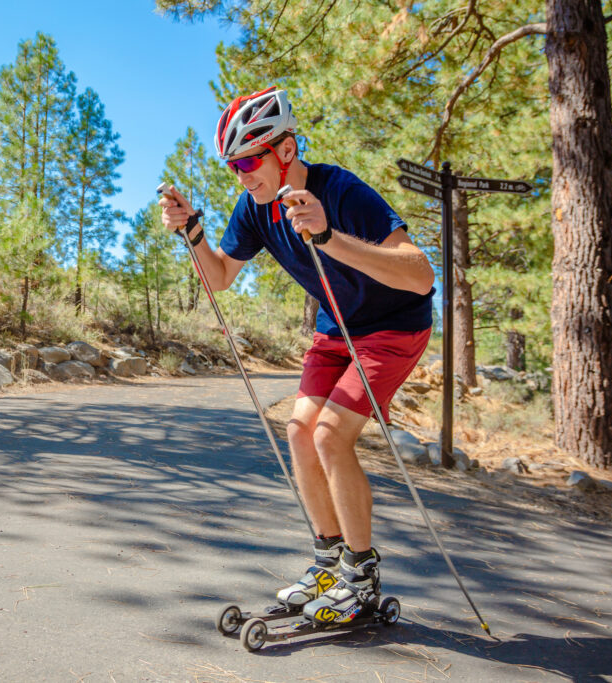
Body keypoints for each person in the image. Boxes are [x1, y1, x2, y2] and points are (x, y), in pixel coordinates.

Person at [159, 86, 435, 625]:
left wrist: (329, 235)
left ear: (285, 150)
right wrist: (193, 232)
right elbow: (218, 278)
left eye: (247, 161)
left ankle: (361, 573)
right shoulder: (255, 208)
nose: (241, 175)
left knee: (331, 434)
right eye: (232, 166)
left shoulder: (340, 189)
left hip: (395, 327)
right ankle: (328, 563)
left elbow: (421, 274)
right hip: (337, 331)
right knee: (299, 429)